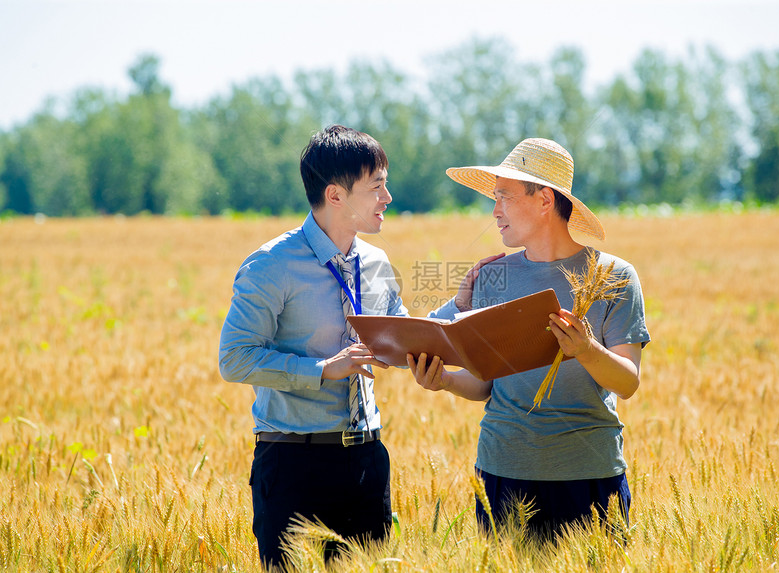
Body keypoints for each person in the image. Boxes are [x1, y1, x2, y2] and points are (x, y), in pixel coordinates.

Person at [218, 125, 491, 571]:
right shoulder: (271, 265)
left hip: (367, 461)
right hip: (292, 463)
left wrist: (456, 307)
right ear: (336, 195)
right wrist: (324, 369)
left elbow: (400, 337)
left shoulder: (376, 263)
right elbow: (234, 358)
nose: (388, 197)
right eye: (377, 186)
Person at [407, 138, 650, 539]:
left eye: (504, 196)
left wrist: (587, 351)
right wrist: (445, 380)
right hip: (502, 475)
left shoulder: (615, 276)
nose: (494, 210)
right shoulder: (492, 276)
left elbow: (627, 383)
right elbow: (487, 383)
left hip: (589, 479)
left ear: (544, 201)